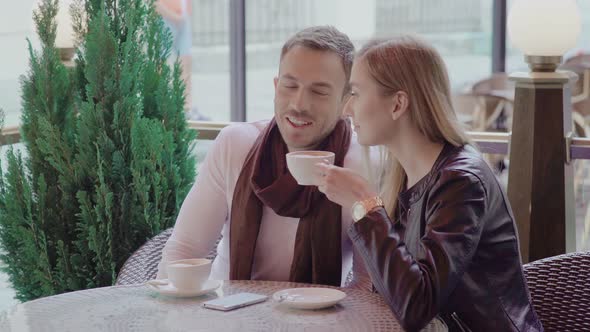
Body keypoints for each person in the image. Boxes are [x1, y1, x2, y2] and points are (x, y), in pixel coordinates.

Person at [316, 36, 543, 331]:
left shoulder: (462, 182)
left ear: (398, 104)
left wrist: (365, 206)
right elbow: (390, 291)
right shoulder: (401, 174)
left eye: (356, 93)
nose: (347, 108)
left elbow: (416, 306)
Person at [157, 26, 372, 289]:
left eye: (319, 92)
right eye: (289, 86)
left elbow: (366, 285)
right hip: (227, 315)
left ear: (346, 103)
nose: (298, 104)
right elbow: (185, 250)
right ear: (275, 86)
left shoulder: (363, 167)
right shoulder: (235, 145)